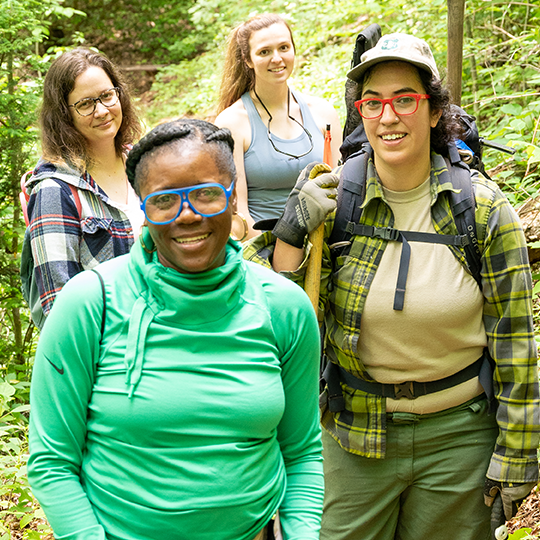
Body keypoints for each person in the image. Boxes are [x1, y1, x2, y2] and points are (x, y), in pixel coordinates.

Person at [244, 33, 540, 540]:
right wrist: (291, 235)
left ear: (432, 111)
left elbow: (516, 343)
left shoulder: (483, 210)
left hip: (459, 438)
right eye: (373, 102)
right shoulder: (333, 202)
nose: (388, 116)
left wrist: (517, 456)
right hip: (352, 429)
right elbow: (278, 324)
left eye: (405, 99)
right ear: (360, 113)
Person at [27, 119, 324, 540]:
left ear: (233, 198)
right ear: (142, 208)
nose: (187, 216)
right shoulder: (89, 304)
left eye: (206, 194)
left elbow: (302, 453)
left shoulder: (283, 308)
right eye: (164, 201)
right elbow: (52, 462)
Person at [24, 47, 144, 322]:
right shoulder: (54, 189)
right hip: (108, 343)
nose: (102, 111)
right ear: (64, 115)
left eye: (106, 96)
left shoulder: (144, 163)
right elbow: (57, 303)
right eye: (86, 104)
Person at [215, 13, 341, 240]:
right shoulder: (232, 123)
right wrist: (276, 257)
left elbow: (340, 189)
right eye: (264, 52)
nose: (277, 58)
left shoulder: (323, 113)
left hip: (324, 243)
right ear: (248, 60)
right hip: (261, 246)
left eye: (284, 47)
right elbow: (238, 213)